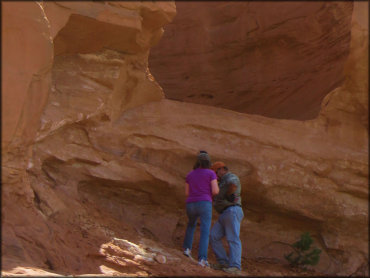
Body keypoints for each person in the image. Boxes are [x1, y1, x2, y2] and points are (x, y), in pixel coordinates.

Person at [183, 151, 219, 267]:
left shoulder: (190, 174)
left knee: (191, 225)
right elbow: (215, 191)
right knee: (205, 231)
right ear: (208, 162)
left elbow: (187, 192)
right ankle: (202, 259)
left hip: (190, 203)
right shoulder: (211, 173)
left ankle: (187, 249)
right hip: (204, 203)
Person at [209, 161, 244, 274]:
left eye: (216, 173)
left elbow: (232, 184)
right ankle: (223, 262)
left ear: (222, 169)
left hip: (232, 210)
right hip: (225, 213)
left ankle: (235, 266)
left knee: (233, 238)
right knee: (214, 236)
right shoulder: (222, 181)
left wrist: (223, 194)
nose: (216, 176)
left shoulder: (230, 177)